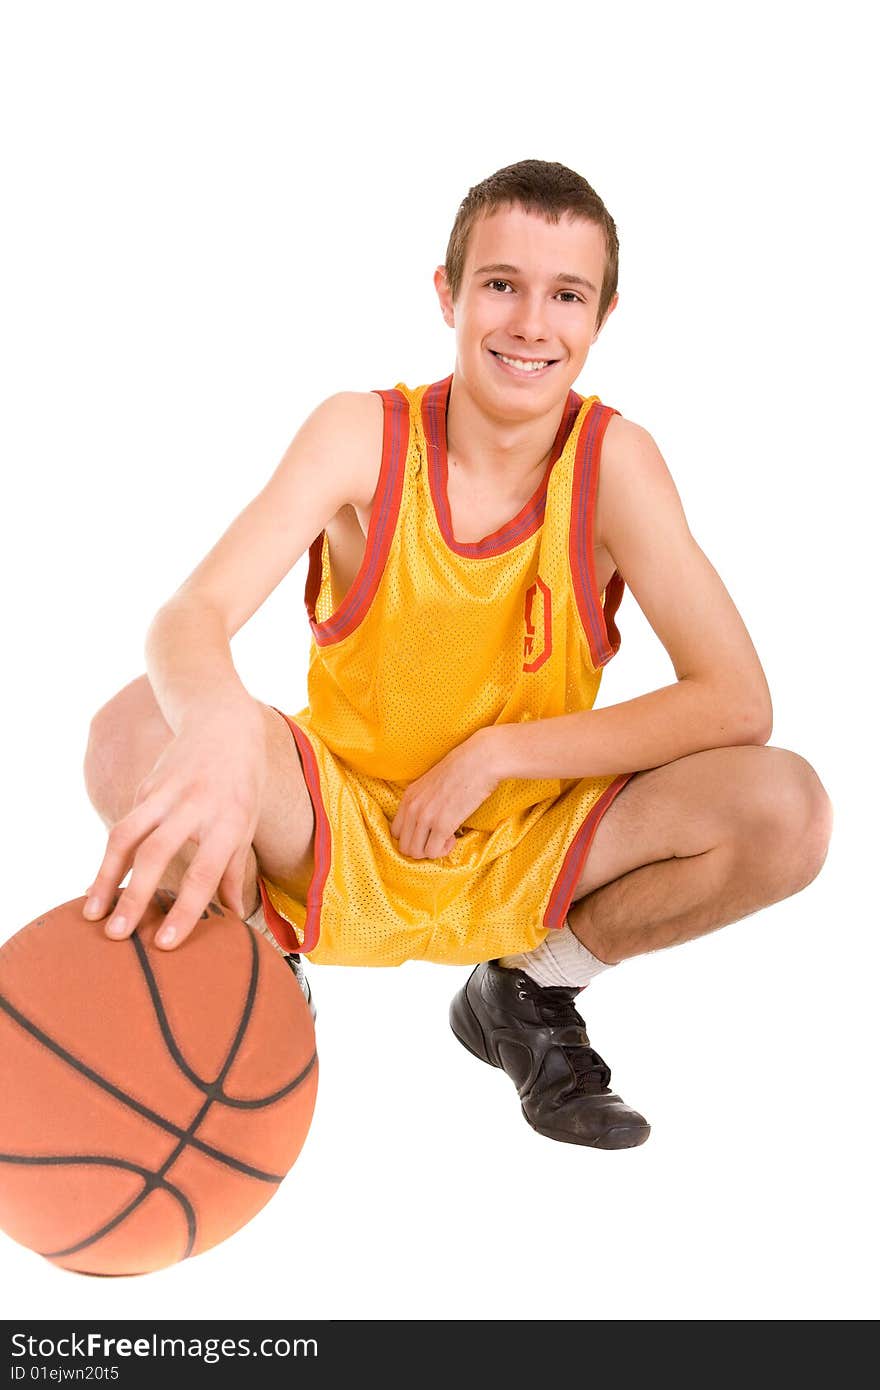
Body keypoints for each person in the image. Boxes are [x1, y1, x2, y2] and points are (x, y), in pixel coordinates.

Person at [81, 159, 833, 1150]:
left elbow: (736, 700)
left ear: (601, 315)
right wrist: (222, 722)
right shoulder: (362, 434)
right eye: (501, 284)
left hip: (529, 850)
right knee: (131, 728)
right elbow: (191, 613)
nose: (531, 323)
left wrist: (497, 755)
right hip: (332, 830)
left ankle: (531, 987)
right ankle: (256, 964)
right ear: (447, 293)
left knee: (788, 809)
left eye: (565, 294)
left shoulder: (615, 462)